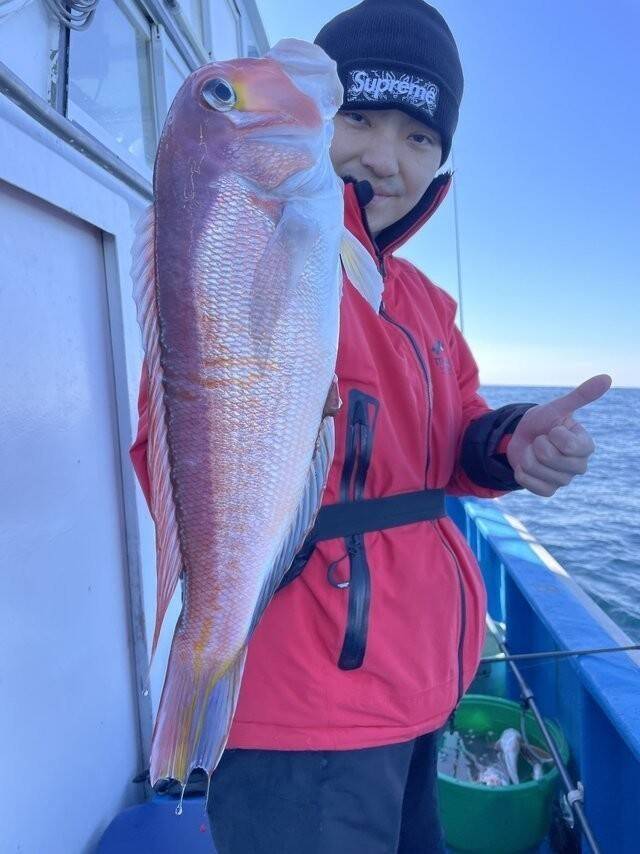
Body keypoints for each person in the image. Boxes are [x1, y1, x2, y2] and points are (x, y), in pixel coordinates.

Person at [130, 1, 609, 851]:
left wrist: (512, 444)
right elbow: (177, 419)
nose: (385, 156)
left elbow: (456, 436)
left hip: (422, 688)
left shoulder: (427, 303)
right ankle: (191, 707)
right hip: (302, 713)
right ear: (319, 120)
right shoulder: (265, 234)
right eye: (359, 117)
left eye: (420, 137)